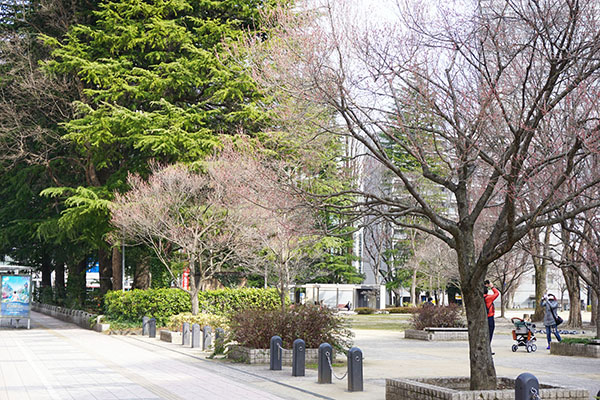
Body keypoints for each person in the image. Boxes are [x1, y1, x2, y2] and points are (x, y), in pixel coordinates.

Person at [483, 280, 499, 345]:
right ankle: (487, 346)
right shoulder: (488, 298)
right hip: (489, 317)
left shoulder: (480, 298)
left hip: (482, 317)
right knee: (490, 332)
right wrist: (492, 287)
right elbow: (497, 293)